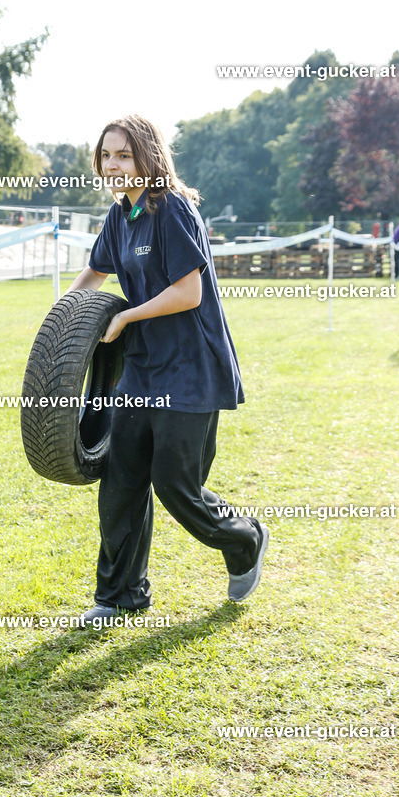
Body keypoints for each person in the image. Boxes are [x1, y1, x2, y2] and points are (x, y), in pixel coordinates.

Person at [66, 114, 268, 627]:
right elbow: (96, 272)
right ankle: (119, 597)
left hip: (191, 370)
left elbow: (189, 292)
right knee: (121, 482)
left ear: (148, 157)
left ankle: (244, 537)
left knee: (177, 486)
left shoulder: (171, 209)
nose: (114, 165)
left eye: (124, 155)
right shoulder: (121, 215)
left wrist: (128, 315)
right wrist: (60, 321)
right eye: (106, 155)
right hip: (141, 369)